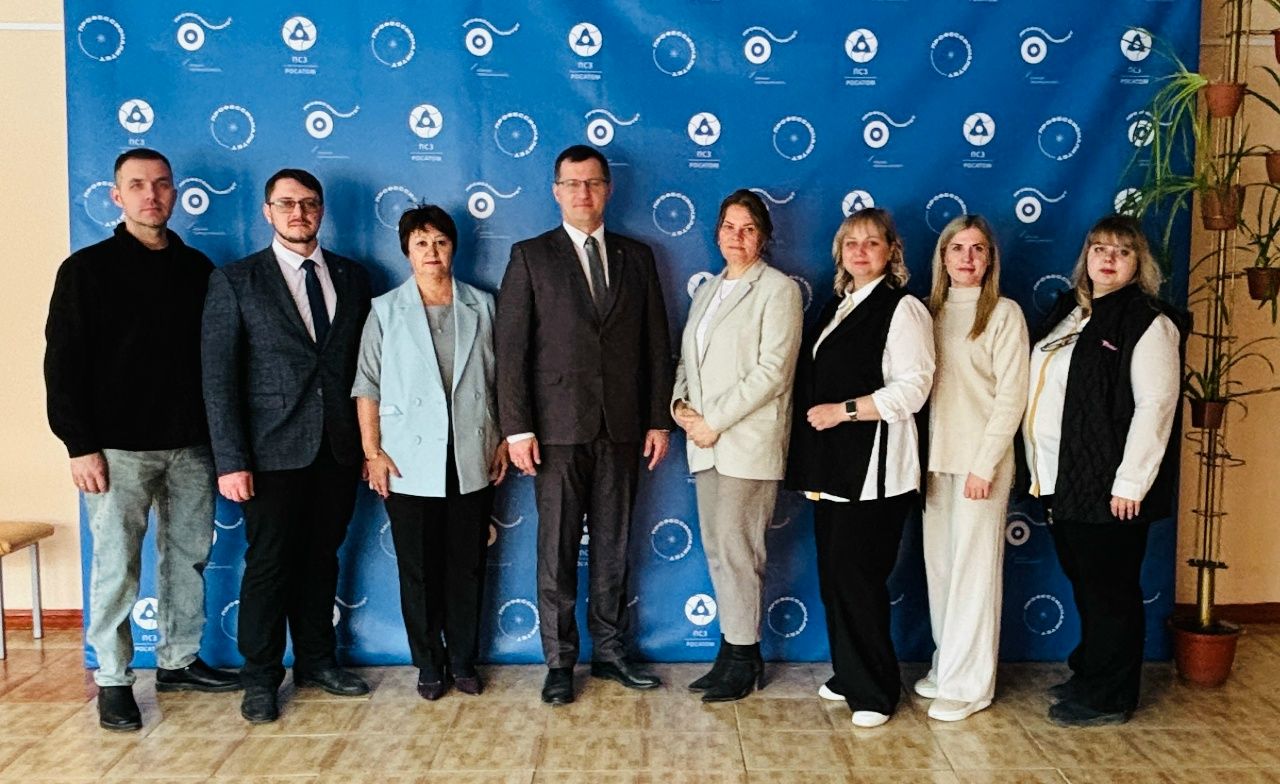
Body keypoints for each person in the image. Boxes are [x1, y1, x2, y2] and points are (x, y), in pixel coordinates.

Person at [44, 148, 240, 731]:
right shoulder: (85, 270)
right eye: (136, 185)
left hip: (191, 446)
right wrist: (78, 444)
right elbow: (62, 364)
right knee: (116, 564)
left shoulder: (198, 269)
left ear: (174, 193)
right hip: (115, 449)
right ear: (117, 196)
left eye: (161, 184)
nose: (150, 195)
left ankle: (179, 661)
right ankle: (113, 679)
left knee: (188, 557)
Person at [495, 144, 674, 705]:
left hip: (623, 429)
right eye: (572, 184)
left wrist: (657, 419)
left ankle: (612, 653)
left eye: (593, 183)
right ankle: (559, 661)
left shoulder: (637, 256)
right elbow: (511, 349)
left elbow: (656, 344)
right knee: (556, 550)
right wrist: (517, 428)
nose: (583, 193)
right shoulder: (530, 256)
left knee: (614, 547)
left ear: (608, 190)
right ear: (556, 191)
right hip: (555, 433)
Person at [202, 168, 373, 724]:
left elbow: (365, 368)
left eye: (309, 203)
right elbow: (219, 379)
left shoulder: (352, 277)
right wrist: (232, 461)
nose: (299, 213)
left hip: (338, 448)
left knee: (322, 559)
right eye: (287, 203)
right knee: (270, 564)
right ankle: (259, 677)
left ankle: (318, 661)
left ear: (321, 210)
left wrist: (369, 446)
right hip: (270, 453)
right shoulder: (237, 280)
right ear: (267, 211)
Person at [1024, 214, 1183, 727]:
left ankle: (1111, 697)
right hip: (1060, 477)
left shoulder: (1148, 322)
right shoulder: (1070, 312)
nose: (1108, 259)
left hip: (1111, 486)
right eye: (1099, 248)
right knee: (1086, 582)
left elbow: (1156, 406)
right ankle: (1091, 671)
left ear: (1139, 264)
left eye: (1122, 251)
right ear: (1086, 257)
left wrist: (1130, 483)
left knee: (1111, 590)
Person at [352, 205, 510, 700]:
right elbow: (367, 384)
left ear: (454, 247)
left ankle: (463, 659)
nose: (432, 252)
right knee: (418, 570)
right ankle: (428, 662)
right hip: (406, 459)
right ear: (406, 251)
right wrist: (372, 452)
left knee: (466, 565)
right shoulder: (385, 309)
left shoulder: (483, 305)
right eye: (421, 243)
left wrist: (503, 437)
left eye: (440, 241)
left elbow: (502, 378)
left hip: (471, 451)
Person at [786, 207, 935, 728]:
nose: (861, 251)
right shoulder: (839, 305)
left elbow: (914, 389)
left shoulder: (903, 308)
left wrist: (845, 410)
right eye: (851, 243)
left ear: (892, 251)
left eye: (872, 242)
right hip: (832, 470)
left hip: (877, 472)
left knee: (859, 580)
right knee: (835, 577)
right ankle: (850, 672)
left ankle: (874, 690)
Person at [672, 190, 803, 702]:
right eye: (729, 226)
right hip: (704, 442)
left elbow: (773, 372)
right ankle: (730, 652)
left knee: (739, 549)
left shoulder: (778, 290)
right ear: (717, 232)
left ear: (763, 236)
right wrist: (680, 406)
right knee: (719, 548)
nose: (737, 236)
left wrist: (715, 421)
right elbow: (688, 359)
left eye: (748, 228)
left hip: (746, 443)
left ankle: (745, 658)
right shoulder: (708, 290)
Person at [919, 215, 1028, 722]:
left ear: (990, 259)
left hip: (982, 463)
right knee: (941, 570)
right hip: (934, 461)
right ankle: (947, 666)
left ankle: (971, 685)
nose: (967, 257)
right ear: (943, 257)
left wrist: (985, 465)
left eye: (978, 248)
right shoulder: (927, 312)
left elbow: (1011, 397)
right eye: (957, 248)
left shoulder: (1004, 314)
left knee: (974, 573)